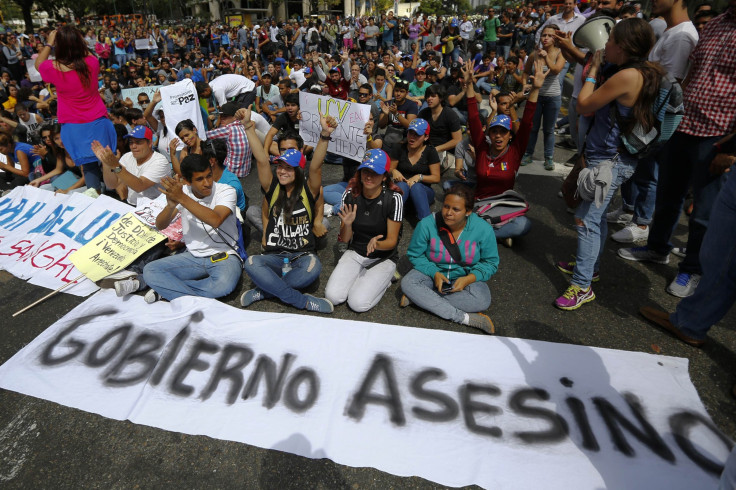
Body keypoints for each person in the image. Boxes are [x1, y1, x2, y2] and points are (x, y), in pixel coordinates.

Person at [617, 1, 736, 298]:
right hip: (684, 125)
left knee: (703, 213)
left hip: (717, 135)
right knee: (669, 195)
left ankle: (692, 270)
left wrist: (730, 147)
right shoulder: (718, 23)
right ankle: (658, 247)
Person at [554, 18, 666, 310]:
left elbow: (584, 104)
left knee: (586, 220)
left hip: (608, 161)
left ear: (625, 47)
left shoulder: (626, 76)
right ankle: (590, 268)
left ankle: (581, 286)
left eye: (612, 40)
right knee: (598, 217)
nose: (607, 44)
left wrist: (591, 71)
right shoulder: (635, 70)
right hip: (609, 157)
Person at [238, 108, 336, 313]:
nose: (282, 171)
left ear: (299, 169)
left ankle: (266, 290)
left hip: (302, 256)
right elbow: (262, 160)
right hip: (275, 255)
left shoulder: (308, 189)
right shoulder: (272, 187)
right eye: (280, 166)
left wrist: (325, 135)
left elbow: (316, 166)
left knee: (314, 268)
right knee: (252, 263)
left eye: (288, 167)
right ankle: (304, 301)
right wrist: (248, 126)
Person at [138, 154, 242, 303]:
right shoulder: (183, 193)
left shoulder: (226, 191)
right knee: (151, 270)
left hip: (225, 254)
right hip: (193, 257)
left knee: (223, 286)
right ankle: (176, 291)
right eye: (199, 179)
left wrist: (181, 198)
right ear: (186, 181)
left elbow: (216, 220)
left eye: (209, 176)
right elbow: (160, 225)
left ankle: (170, 290)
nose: (207, 183)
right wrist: (171, 206)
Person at [462, 59, 544, 245]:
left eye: (503, 132)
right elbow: (474, 117)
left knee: (523, 225)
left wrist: (536, 89)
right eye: (495, 131)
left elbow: (528, 122)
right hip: (479, 206)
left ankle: (483, 235)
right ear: (489, 133)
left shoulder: (515, 152)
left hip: (503, 207)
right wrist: (468, 84)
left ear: (509, 135)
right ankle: (495, 232)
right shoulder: (483, 148)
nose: (498, 136)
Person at [400, 184, 498, 333]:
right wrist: (434, 273)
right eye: (446, 206)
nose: (448, 213)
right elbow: (415, 254)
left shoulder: (483, 229)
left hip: (465, 276)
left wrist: (469, 278)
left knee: (483, 300)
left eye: (456, 209)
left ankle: (420, 299)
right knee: (408, 282)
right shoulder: (426, 224)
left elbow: (490, 263)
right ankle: (464, 318)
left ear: (468, 212)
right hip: (431, 274)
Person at [36, 26, 117, 193]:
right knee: (109, 162)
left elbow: (38, 65)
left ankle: (96, 197)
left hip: (73, 126)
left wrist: (50, 43)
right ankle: (119, 195)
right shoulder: (92, 63)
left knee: (89, 167)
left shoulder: (52, 68)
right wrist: (75, 38)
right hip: (98, 121)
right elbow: (87, 53)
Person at [324, 149, 403, 312]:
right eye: (365, 171)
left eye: (375, 172)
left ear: (384, 176)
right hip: (356, 251)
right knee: (333, 296)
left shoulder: (394, 199)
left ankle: (386, 280)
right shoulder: (350, 195)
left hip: (383, 256)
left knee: (358, 304)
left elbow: (392, 241)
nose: (369, 176)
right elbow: (344, 240)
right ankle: (366, 281)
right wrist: (347, 224)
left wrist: (377, 244)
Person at [520, 24, 564, 171]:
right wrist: (525, 84)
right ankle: (528, 154)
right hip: (535, 96)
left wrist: (546, 58)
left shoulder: (560, 53)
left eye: (549, 36)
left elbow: (556, 70)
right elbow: (525, 72)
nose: (545, 38)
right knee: (532, 128)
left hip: (553, 96)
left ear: (555, 38)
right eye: (544, 35)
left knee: (549, 130)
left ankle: (549, 158)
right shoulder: (534, 54)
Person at [93, 125, 171, 206]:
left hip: (157, 207)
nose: (133, 146)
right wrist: (106, 163)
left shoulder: (160, 161)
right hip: (132, 206)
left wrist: (115, 165)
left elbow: (140, 186)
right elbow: (112, 184)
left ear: (150, 143)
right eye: (131, 142)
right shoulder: (127, 156)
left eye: (138, 142)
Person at [389, 118, 441, 220]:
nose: (412, 137)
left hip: (422, 193)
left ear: (426, 137)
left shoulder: (430, 151)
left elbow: (436, 178)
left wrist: (419, 177)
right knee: (402, 186)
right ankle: (390, 221)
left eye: (417, 135)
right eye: (410, 133)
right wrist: (394, 171)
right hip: (402, 189)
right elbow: (389, 169)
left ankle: (427, 226)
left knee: (416, 187)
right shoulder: (399, 148)